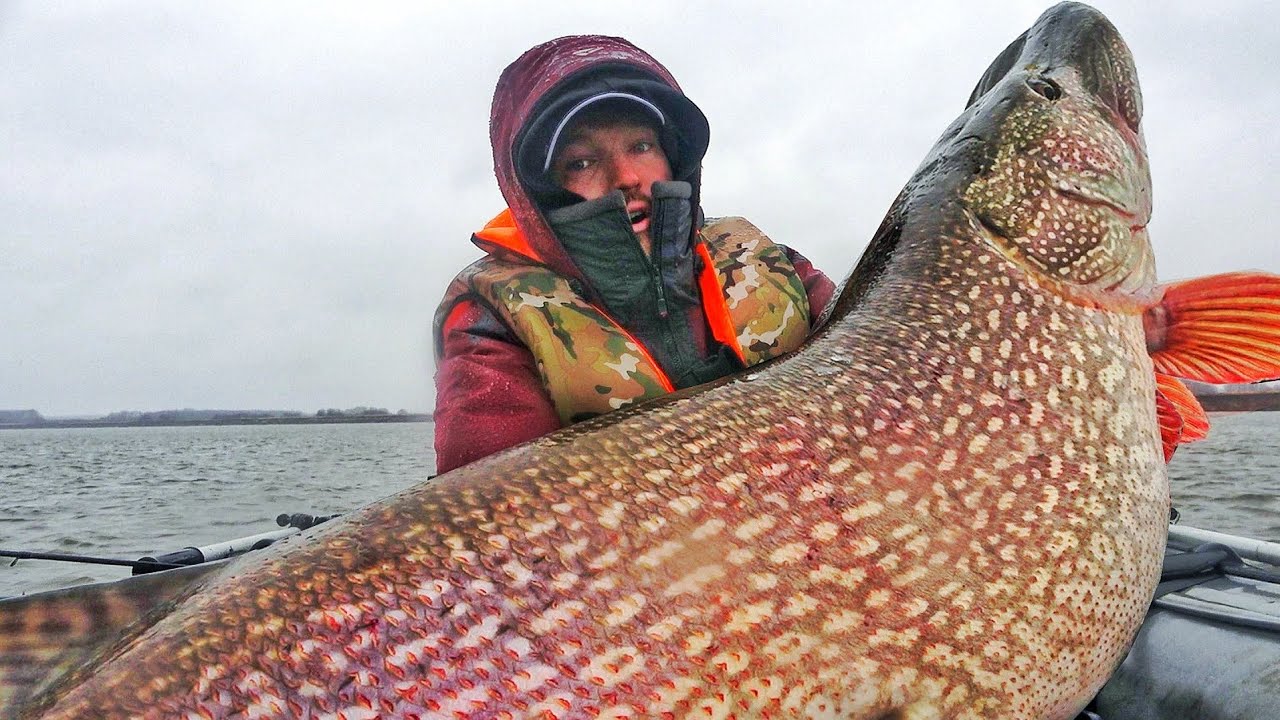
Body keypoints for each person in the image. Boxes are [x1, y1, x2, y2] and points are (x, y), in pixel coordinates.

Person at [431, 35, 835, 473]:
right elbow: (497, 515)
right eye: (581, 162)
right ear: (541, 192)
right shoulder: (494, 322)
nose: (625, 177)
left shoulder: (770, 262)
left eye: (641, 146)